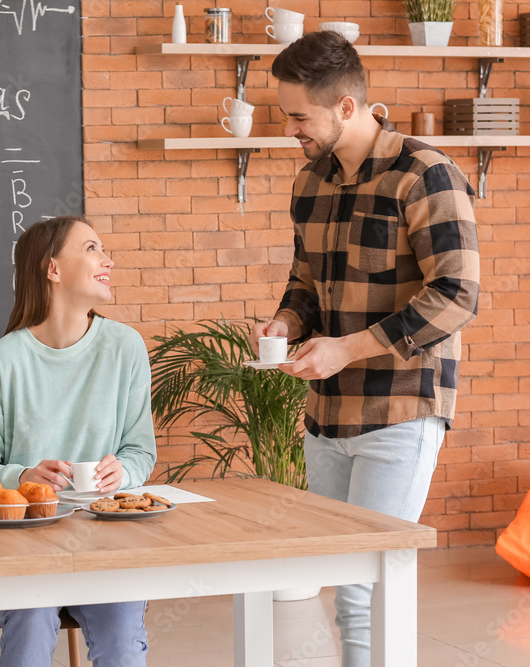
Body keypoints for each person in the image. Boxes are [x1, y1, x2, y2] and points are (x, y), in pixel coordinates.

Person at [254, 32, 480, 666]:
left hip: (400, 412)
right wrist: (285, 323)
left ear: (347, 106)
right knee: (343, 582)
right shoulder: (310, 181)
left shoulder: (424, 173)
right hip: (326, 417)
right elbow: (305, 283)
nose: (290, 129)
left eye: (300, 116)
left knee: (366, 591)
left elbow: (458, 295)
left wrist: (347, 349)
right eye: (285, 115)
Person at [0, 216, 156, 667]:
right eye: (91, 248)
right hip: (22, 541)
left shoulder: (126, 348)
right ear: (53, 269)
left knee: (123, 640)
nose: (108, 260)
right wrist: (23, 476)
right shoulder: (4, 359)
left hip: (106, 540)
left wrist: (123, 470)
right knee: (30, 622)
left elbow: (140, 450)